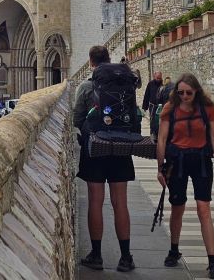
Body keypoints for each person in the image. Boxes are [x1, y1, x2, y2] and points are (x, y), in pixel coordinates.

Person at [74, 45, 135, 272]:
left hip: (96, 148)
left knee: (95, 201)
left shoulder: (86, 87)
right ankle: (126, 257)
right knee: (120, 203)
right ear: (109, 60)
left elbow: (77, 118)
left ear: (91, 62)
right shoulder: (124, 84)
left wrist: (91, 131)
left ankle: (97, 255)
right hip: (120, 147)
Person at [157, 73, 214, 279]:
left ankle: (212, 261)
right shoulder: (170, 109)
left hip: (201, 161)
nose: (185, 96)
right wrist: (160, 168)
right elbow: (161, 140)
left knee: (204, 208)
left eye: (188, 92)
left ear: (196, 91)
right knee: (177, 207)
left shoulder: (207, 108)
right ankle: (173, 249)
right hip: (177, 162)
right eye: (181, 92)